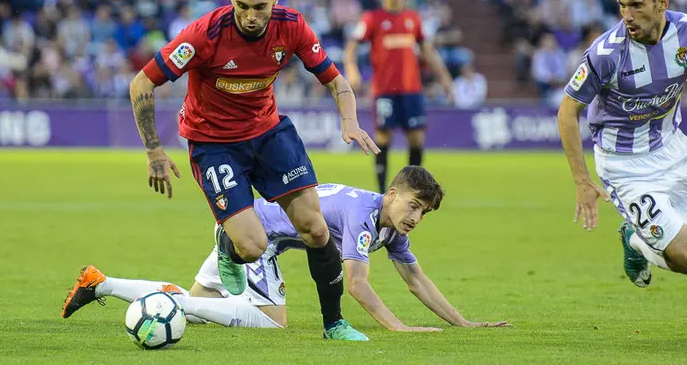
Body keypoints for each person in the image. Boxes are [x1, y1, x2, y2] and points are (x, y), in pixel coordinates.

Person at [126, 0, 379, 341]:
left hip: (269, 133)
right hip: (214, 144)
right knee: (252, 246)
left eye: (259, 6)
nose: (249, 16)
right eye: (241, 5)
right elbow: (141, 84)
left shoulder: (291, 27)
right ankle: (228, 247)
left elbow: (336, 80)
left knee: (315, 227)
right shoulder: (203, 35)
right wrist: (153, 151)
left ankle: (334, 324)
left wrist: (349, 121)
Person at [62, 166, 510, 332]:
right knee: (272, 322)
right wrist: (398, 328)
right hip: (259, 239)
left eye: (423, 213)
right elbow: (356, 286)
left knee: (197, 306)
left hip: (244, 226)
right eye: (412, 206)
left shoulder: (391, 229)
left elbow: (416, 279)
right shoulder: (361, 214)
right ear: (391, 194)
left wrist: (464, 323)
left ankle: (100, 285)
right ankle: (168, 301)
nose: (415, 217)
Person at [557, 0, 687, 288]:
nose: (626, 15)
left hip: (674, 147)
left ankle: (640, 238)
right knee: (682, 254)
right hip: (626, 168)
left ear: (662, 3)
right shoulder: (607, 54)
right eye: (621, 4)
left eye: (636, 5)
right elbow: (567, 111)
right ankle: (636, 240)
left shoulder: (684, 34)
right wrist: (581, 181)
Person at [344, 0, 453, 194]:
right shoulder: (372, 18)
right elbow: (352, 47)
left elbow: (427, 50)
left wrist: (444, 78)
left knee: (416, 138)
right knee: (383, 137)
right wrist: (352, 70)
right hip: (385, 90)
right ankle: (382, 192)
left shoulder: (413, 18)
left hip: (412, 90)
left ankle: (413, 190)